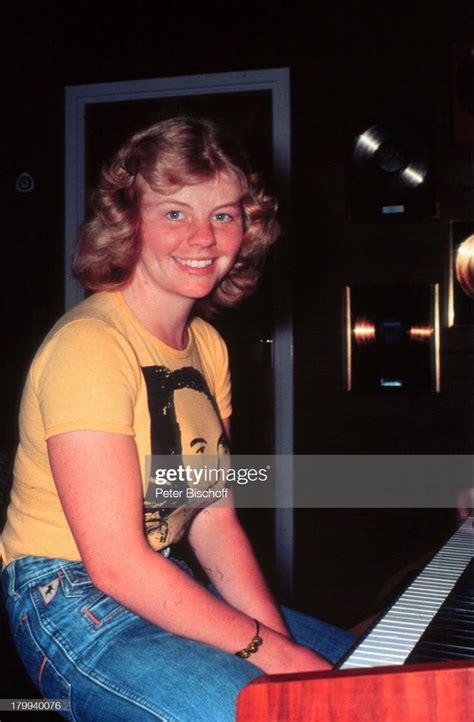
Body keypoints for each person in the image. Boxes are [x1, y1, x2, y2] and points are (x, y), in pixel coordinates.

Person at [0, 117, 355, 721]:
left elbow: (213, 522)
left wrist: (282, 653)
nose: (203, 237)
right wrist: (271, 655)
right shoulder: (90, 346)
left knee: (375, 687)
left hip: (161, 578)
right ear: (128, 221)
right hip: (68, 596)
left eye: (223, 214)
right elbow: (115, 563)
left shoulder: (208, 348)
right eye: (174, 213)